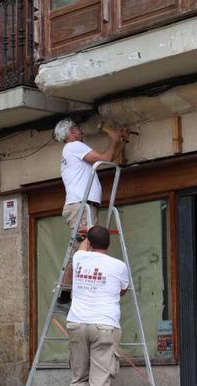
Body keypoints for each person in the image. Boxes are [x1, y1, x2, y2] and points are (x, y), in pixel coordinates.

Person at [65, 225, 128, 386]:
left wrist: (85, 236)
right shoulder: (119, 266)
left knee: (79, 377)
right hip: (104, 325)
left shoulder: (80, 256)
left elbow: (80, 252)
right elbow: (122, 291)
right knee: (99, 381)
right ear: (108, 244)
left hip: (77, 323)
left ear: (89, 243)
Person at [53, 118, 127, 305]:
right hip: (81, 205)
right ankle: (69, 291)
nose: (80, 131)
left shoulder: (72, 150)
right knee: (83, 248)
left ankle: (66, 291)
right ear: (69, 133)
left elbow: (113, 160)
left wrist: (118, 141)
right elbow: (105, 158)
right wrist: (112, 138)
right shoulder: (73, 146)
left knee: (83, 248)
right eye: (77, 128)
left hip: (83, 205)